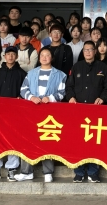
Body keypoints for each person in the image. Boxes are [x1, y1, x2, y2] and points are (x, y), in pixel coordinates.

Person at [15, 48, 67, 183]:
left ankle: (48, 172)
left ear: (52, 57)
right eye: (42, 55)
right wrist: (31, 97)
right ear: (39, 58)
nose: (44, 57)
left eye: (47, 55)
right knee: (27, 140)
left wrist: (50, 98)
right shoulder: (31, 73)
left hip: (49, 113)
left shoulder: (60, 75)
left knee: (47, 140)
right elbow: (23, 89)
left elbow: (62, 92)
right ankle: (26, 172)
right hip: (32, 112)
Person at [65, 41, 107, 183]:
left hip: (96, 111)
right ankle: (79, 172)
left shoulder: (103, 67)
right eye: (85, 50)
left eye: (90, 49)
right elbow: (69, 86)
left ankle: (93, 172)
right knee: (78, 143)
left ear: (95, 51)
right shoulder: (76, 67)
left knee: (94, 143)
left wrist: (102, 98)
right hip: (78, 111)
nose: (88, 52)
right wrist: (71, 97)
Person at [0, 46, 28, 182]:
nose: (10, 56)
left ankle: (12, 168)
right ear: (4, 56)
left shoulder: (22, 73)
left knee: (12, 139)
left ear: (16, 57)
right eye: (8, 54)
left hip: (15, 112)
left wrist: (21, 98)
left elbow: (25, 91)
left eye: (13, 54)